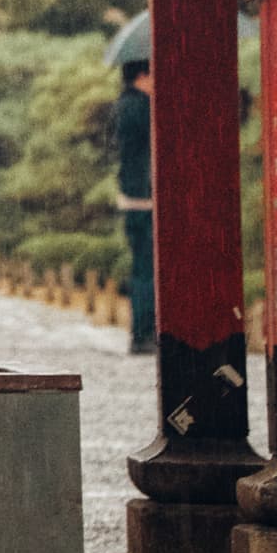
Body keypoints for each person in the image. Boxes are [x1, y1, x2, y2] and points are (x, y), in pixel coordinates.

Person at [110, 21, 158, 356]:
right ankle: (144, 334)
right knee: (146, 269)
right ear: (142, 74)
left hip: (131, 196)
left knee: (142, 266)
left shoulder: (121, 105)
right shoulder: (141, 108)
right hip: (144, 198)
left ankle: (141, 333)